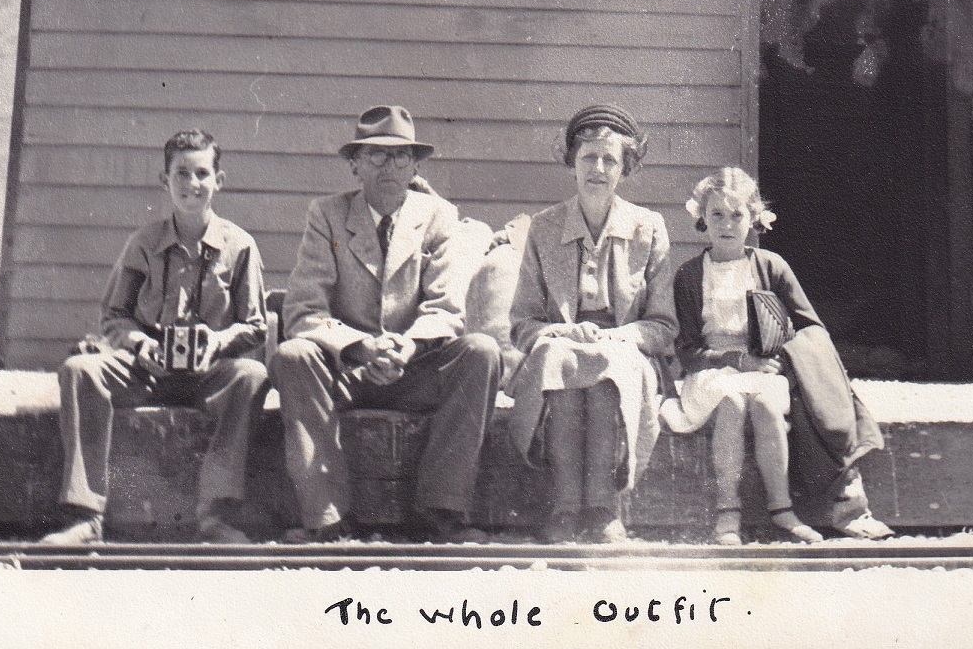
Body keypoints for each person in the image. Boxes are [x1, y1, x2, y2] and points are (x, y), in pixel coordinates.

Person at [268, 105, 500, 544]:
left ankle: (442, 510)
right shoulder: (328, 215)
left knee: (481, 353)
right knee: (292, 355)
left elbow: (446, 308)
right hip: (347, 371)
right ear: (354, 165)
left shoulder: (439, 216)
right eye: (374, 155)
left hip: (416, 368)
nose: (388, 166)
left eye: (399, 156)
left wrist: (407, 347)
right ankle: (327, 518)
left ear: (415, 164)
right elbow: (303, 310)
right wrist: (359, 347)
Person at [42, 130, 270, 546]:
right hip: (145, 371)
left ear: (220, 180)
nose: (191, 184)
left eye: (202, 173)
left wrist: (218, 342)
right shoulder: (143, 245)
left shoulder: (240, 247)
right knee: (80, 370)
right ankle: (86, 516)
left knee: (251, 375)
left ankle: (215, 516)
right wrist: (140, 345)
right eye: (180, 173)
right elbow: (114, 316)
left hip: (208, 373)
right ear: (163, 180)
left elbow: (255, 325)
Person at [661, 167, 893, 545]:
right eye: (717, 214)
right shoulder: (689, 275)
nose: (727, 224)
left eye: (737, 215)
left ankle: (782, 509)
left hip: (764, 367)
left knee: (768, 404)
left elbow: (810, 328)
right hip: (711, 372)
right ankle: (727, 512)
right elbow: (687, 350)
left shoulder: (771, 266)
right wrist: (735, 362)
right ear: (701, 218)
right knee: (733, 402)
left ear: (753, 218)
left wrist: (782, 357)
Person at [508, 105, 677, 544]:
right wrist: (563, 331)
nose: (597, 169)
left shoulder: (649, 229)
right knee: (559, 361)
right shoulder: (544, 229)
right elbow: (522, 322)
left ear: (625, 168)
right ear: (572, 163)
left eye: (609, 160)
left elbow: (662, 325)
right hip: (561, 343)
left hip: (626, 346)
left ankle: (603, 506)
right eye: (588, 158)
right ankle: (565, 504)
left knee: (607, 367)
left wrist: (619, 335)